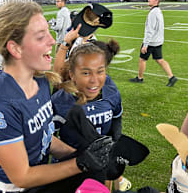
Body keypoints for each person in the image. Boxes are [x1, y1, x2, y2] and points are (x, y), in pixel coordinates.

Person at [0, 1, 113, 193]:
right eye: (41, 36)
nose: (51, 41)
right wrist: (79, 163)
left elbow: (44, 137)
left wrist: (86, 155)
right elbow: (22, 176)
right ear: (16, 49)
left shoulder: (40, 80)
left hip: (39, 183)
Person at [52, 41, 132, 192]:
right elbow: (47, 139)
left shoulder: (112, 93)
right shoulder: (60, 101)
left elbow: (116, 121)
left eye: (100, 71)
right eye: (86, 73)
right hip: (68, 169)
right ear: (72, 74)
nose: (94, 80)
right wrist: (78, 158)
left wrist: (111, 151)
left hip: (101, 168)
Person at [129, 0, 177, 87]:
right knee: (160, 60)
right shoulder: (158, 11)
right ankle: (171, 77)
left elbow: (150, 30)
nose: (148, 0)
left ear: (156, 1)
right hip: (158, 41)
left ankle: (140, 78)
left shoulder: (153, 13)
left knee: (142, 59)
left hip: (151, 42)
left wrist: (145, 44)